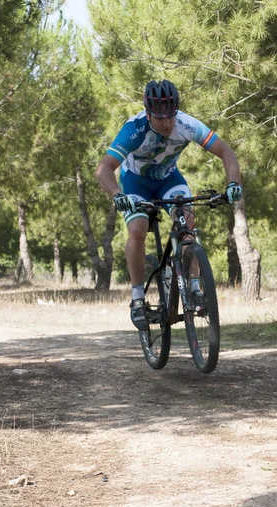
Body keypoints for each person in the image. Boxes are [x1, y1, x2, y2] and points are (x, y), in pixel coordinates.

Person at [95, 79, 242, 330]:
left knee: (188, 223)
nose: (166, 123)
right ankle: (138, 297)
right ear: (148, 113)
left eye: (170, 117)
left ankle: (195, 287)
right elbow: (103, 170)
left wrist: (233, 184)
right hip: (135, 183)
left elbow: (226, 152)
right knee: (138, 229)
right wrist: (117, 194)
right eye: (159, 118)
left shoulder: (186, 124)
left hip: (168, 180)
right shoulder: (134, 129)